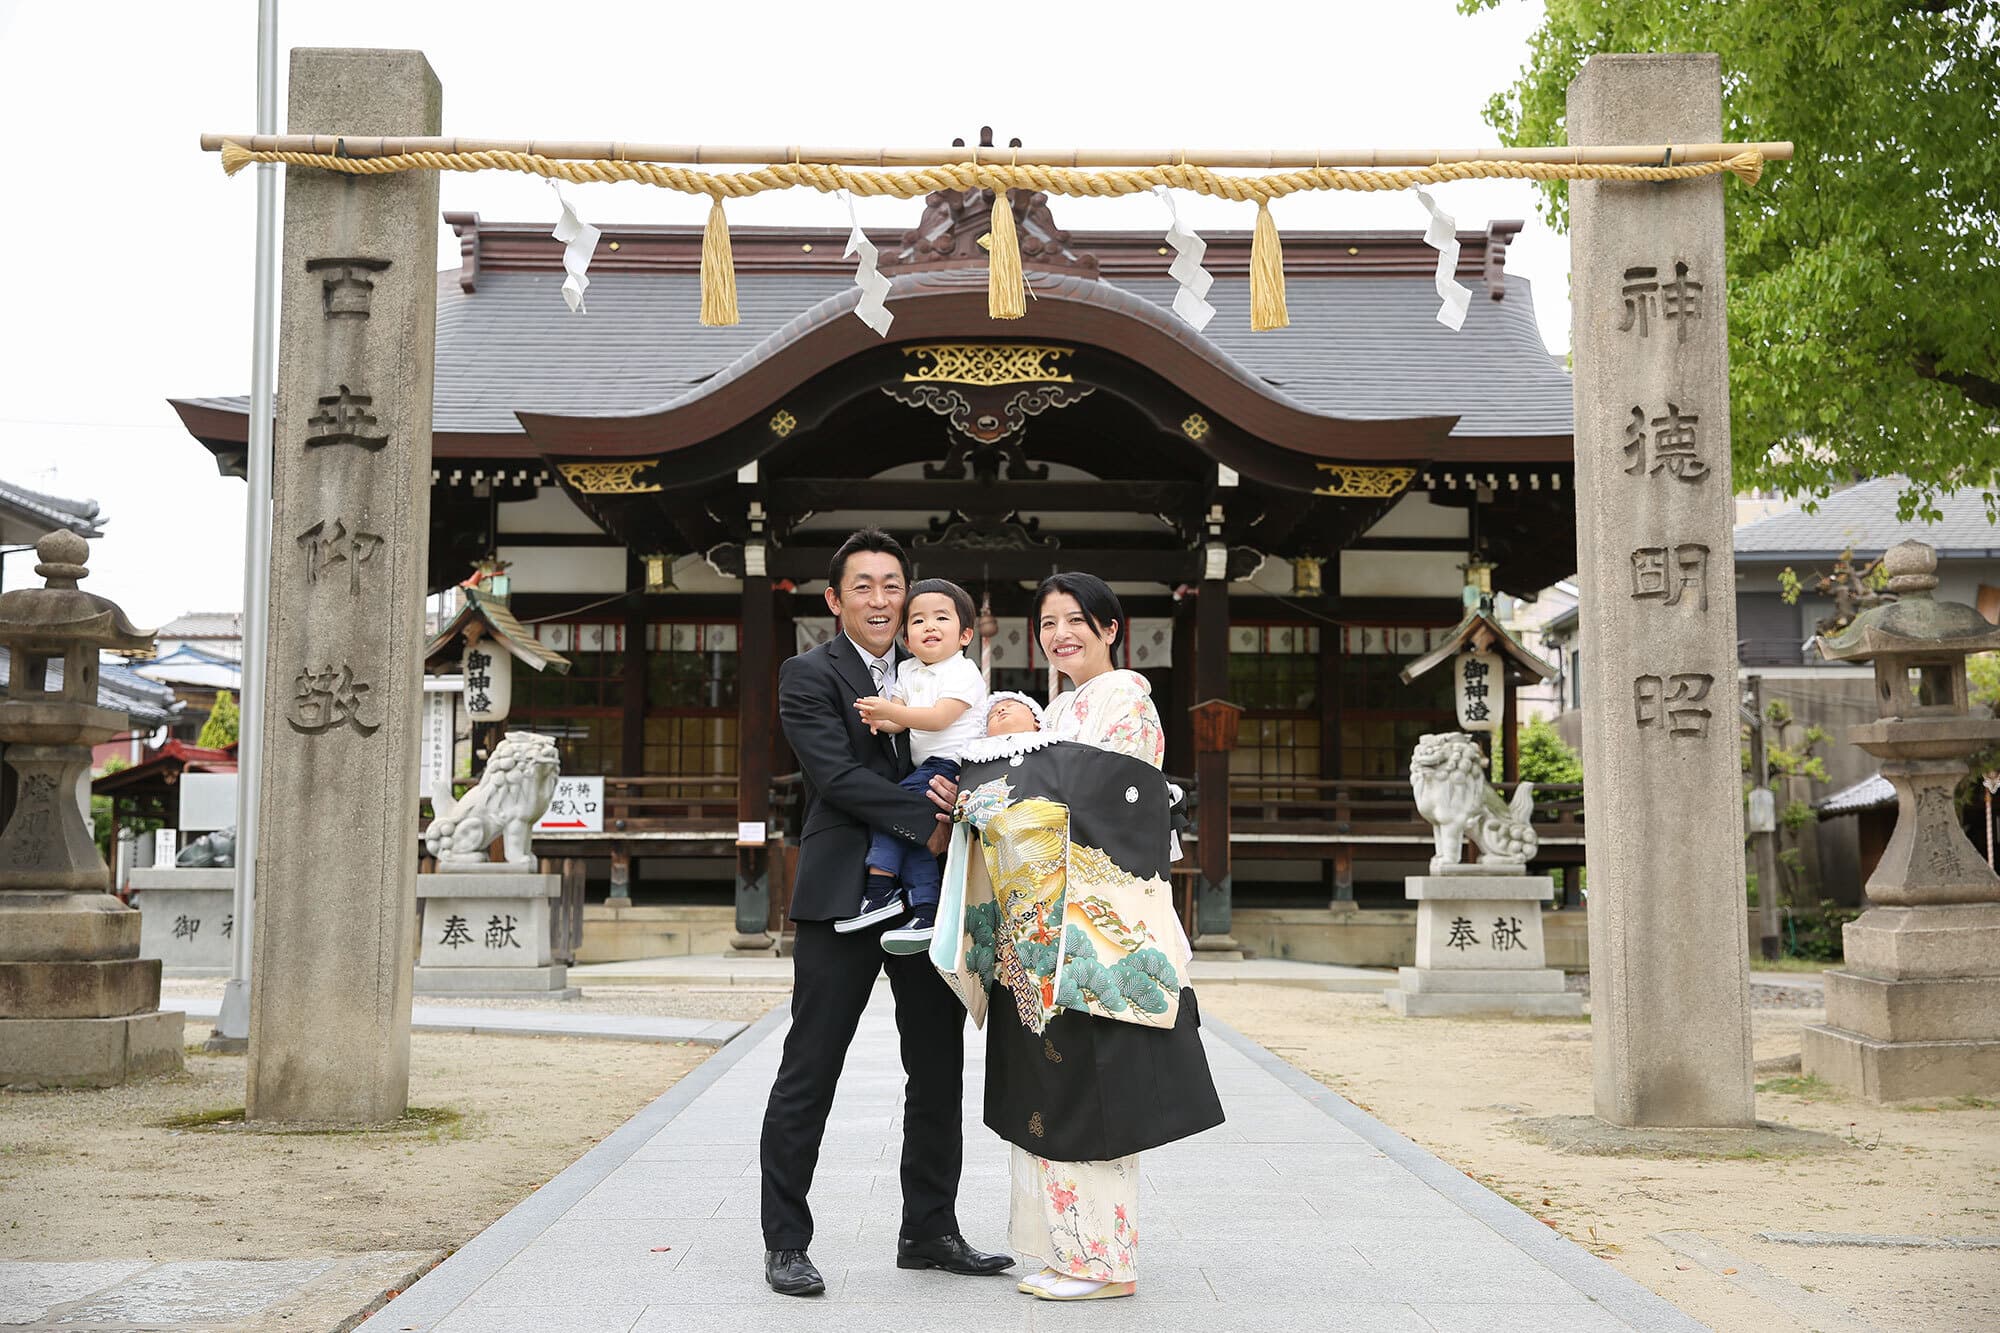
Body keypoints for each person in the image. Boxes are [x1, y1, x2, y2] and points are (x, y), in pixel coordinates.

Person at [757, 529, 1013, 1297]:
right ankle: (786, 1242)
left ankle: (930, 1228)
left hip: (929, 894)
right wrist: (923, 823)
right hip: (845, 891)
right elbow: (833, 775)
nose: (880, 598)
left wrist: (960, 808)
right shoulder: (808, 673)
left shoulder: (935, 674)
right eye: (862, 585)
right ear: (836, 600)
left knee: (936, 1068)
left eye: (892, 585)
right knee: (812, 1065)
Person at [976, 571, 1224, 1302]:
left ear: (1112, 628)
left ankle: (1106, 1260)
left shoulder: (1126, 702)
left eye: (1076, 619)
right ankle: (1067, 1248)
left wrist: (1012, 782)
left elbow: (1110, 805)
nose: (1060, 634)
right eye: (1048, 623)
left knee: (1094, 1087)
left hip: (1093, 924)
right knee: (1054, 1084)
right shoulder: (1056, 708)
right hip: (1043, 924)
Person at [848, 578, 987, 953]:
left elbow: (940, 717)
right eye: (918, 620)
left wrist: (892, 711)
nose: (929, 626)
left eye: (941, 618)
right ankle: (926, 910)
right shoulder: (907, 672)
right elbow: (896, 721)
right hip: (924, 768)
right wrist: (876, 717)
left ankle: (879, 889)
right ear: (906, 639)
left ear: (964, 635)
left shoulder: (963, 672)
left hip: (954, 766)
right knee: (916, 839)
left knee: (895, 811)